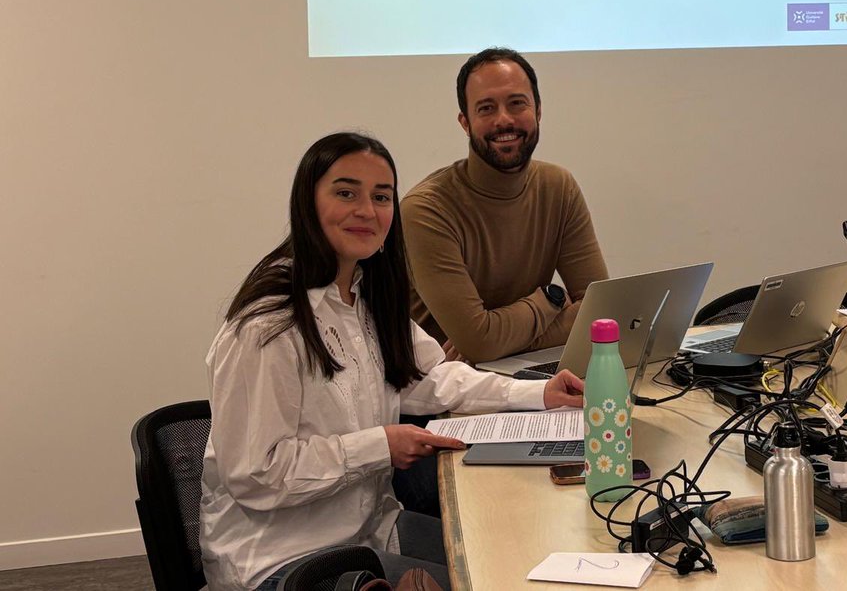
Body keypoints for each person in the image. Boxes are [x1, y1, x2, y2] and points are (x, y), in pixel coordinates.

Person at [200, 132, 584, 591]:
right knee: (486, 580)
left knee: (513, 558)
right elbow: (257, 476)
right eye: (346, 193)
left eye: (381, 197)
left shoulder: (364, 295)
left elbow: (431, 378)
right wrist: (380, 445)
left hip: (370, 530)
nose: (367, 210)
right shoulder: (269, 326)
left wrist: (538, 393)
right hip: (282, 559)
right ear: (307, 203)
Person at [401, 47, 608, 364]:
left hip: (526, 374)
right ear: (465, 122)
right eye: (486, 108)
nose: (504, 120)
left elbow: (602, 311)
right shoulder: (426, 210)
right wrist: (552, 301)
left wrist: (495, 339)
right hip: (447, 392)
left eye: (517, 104)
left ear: (538, 110)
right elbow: (480, 343)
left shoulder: (558, 186)